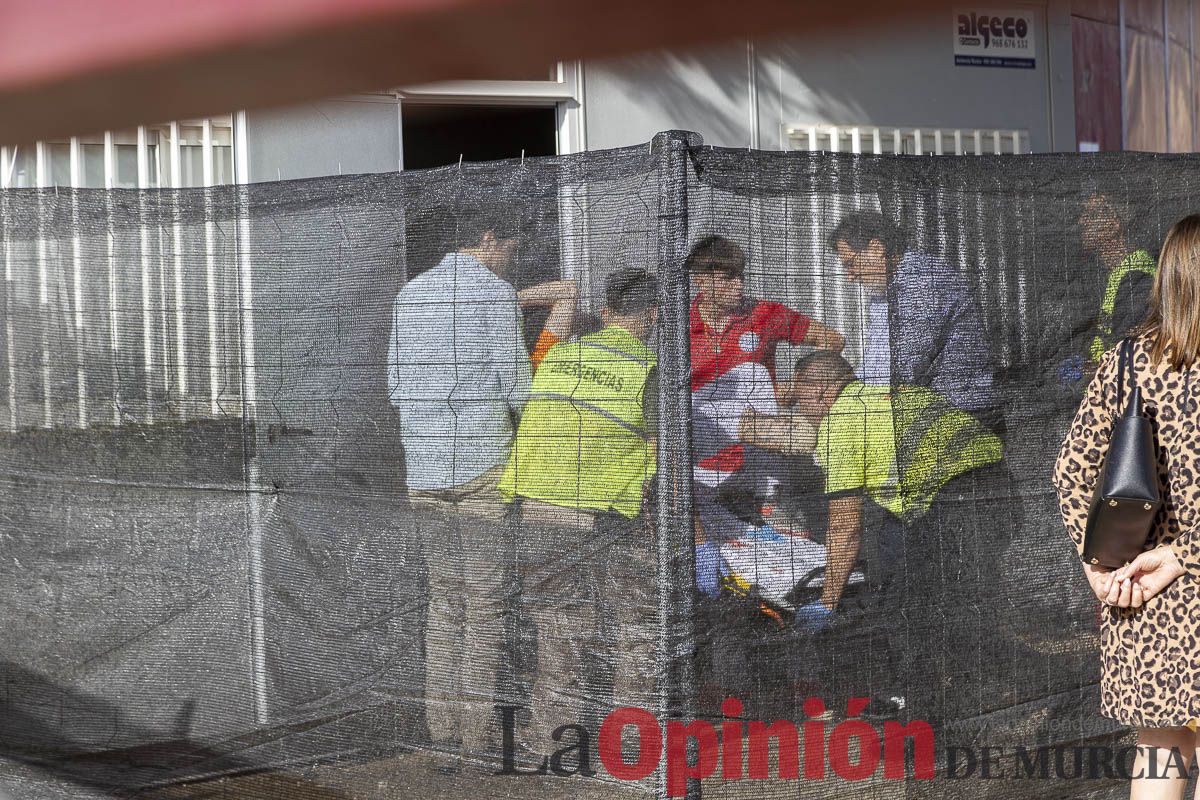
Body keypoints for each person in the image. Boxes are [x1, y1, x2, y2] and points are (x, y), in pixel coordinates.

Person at [782, 350, 1015, 722]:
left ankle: (917, 703)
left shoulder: (839, 423)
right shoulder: (891, 392)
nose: (800, 411)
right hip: (1000, 487)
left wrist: (826, 601)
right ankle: (992, 681)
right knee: (958, 594)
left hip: (951, 503)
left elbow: (845, 526)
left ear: (821, 391)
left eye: (799, 399)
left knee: (903, 608)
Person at [1054, 214, 1200, 800]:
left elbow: (1071, 472)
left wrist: (1100, 565)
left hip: (1142, 591)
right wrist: (1184, 553)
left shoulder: (1129, 361)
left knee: (1161, 748)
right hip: (1170, 573)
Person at [387, 204, 531, 769]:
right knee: (485, 605)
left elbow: (396, 382)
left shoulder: (410, 293)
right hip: (482, 466)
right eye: (511, 250)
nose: (510, 262)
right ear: (491, 237)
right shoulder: (492, 296)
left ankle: (440, 723)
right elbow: (515, 380)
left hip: (421, 468)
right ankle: (477, 734)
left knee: (442, 600)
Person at [498, 267, 660, 767]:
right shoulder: (649, 367)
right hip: (608, 512)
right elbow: (659, 448)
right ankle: (629, 741)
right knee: (635, 626)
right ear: (653, 316)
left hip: (538, 509)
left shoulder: (556, 354)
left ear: (607, 312)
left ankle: (553, 742)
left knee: (558, 629)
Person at [828, 211, 1002, 435]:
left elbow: (907, 362)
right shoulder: (885, 288)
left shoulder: (923, 280)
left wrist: (849, 392)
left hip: (962, 411)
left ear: (876, 248)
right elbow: (877, 359)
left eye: (851, 263)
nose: (850, 276)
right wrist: (844, 388)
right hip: (926, 409)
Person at [1076, 191, 1157, 367]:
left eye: (1092, 215)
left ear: (1114, 224)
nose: (1081, 221)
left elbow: (1131, 353)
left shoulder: (1138, 278)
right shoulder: (1111, 273)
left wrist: (1093, 371)